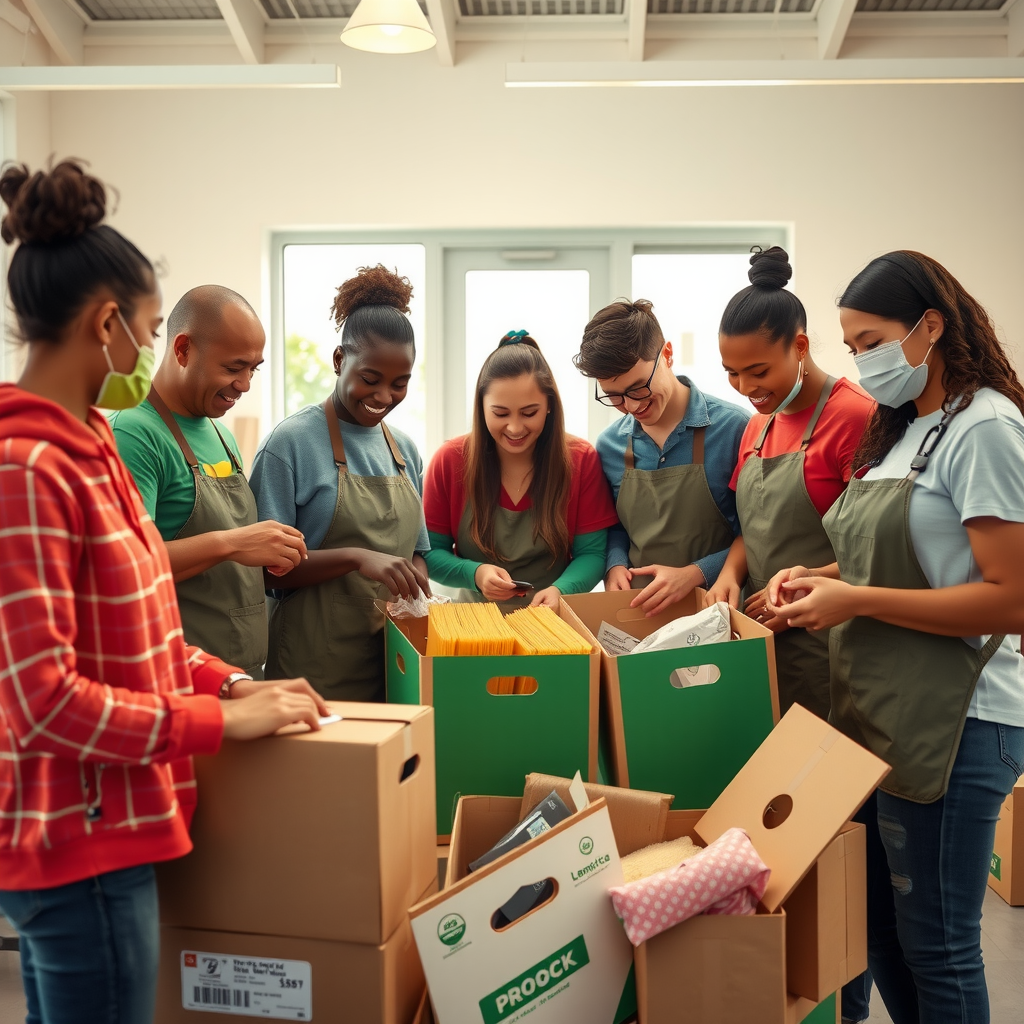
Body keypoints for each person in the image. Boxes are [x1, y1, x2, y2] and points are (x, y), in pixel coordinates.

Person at [0, 161, 327, 1024]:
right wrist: (215, 724)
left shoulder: (94, 450)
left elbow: (140, 630)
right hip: (79, 841)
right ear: (107, 326)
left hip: (127, 820)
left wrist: (230, 683)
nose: (145, 353)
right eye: (145, 332)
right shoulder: (23, 470)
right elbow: (41, 704)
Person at [766, 251, 1024, 1024]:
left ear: (931, 327)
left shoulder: (985, 429)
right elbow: (892, 553)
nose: (862, 361)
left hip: (958, 723)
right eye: (852, 348)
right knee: (877, 936)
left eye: (872, 341)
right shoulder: (905, 431)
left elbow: (1011, 598)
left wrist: (857, 601)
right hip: (880, 713)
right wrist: (817, 576)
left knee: (939, 949)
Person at [705, 246, 875, 720]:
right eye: (732, 373)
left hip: (833, 646)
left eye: (758, 371)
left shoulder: (856, 417)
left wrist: (805, 595)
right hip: (763, 640)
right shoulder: (757, 426)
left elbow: (882, 550)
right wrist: (728, 577)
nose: (744, 387)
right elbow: (753, 529)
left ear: (800, 347)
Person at [251, 264, 431, 702]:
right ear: (339, 360)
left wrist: (417, 598)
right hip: (313, 672)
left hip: (393, 667)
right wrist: (355, 558)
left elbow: (417, 555)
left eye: (400, 383)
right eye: (370, 379)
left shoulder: (404, 451)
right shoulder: (289, 444)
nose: (384, 396)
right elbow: (263, 572)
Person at [111, 286, 306, 679]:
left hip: (242, 671)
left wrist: (266, 553)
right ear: (182, 350)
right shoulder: (134, 433)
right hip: (179, 677)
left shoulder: (221, 435)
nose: (246, 384)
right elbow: (128, 565)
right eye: (234, 368)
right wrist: (234, 543)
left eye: (255, 368)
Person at [573, 299, 749, 617]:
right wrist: (614, 566)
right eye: (613, 396)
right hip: (641, 614)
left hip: (718, 612)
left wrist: (695, 574)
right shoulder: (610, 445)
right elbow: (615, 527)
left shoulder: (735, 428)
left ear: (667, 354)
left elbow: (755, 532)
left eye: (638, 387)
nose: (630, 405)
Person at [423, 332, 618, 608]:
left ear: (549, 406)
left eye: (529, 413)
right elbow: (429, 554)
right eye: (500, 414)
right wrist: (475, 574)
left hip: (554, 622)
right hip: (472, 625)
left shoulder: (581, 460)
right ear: (481, 407)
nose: (515, 428)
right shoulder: (449, 460)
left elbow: (593, 554)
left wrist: (561, 591)